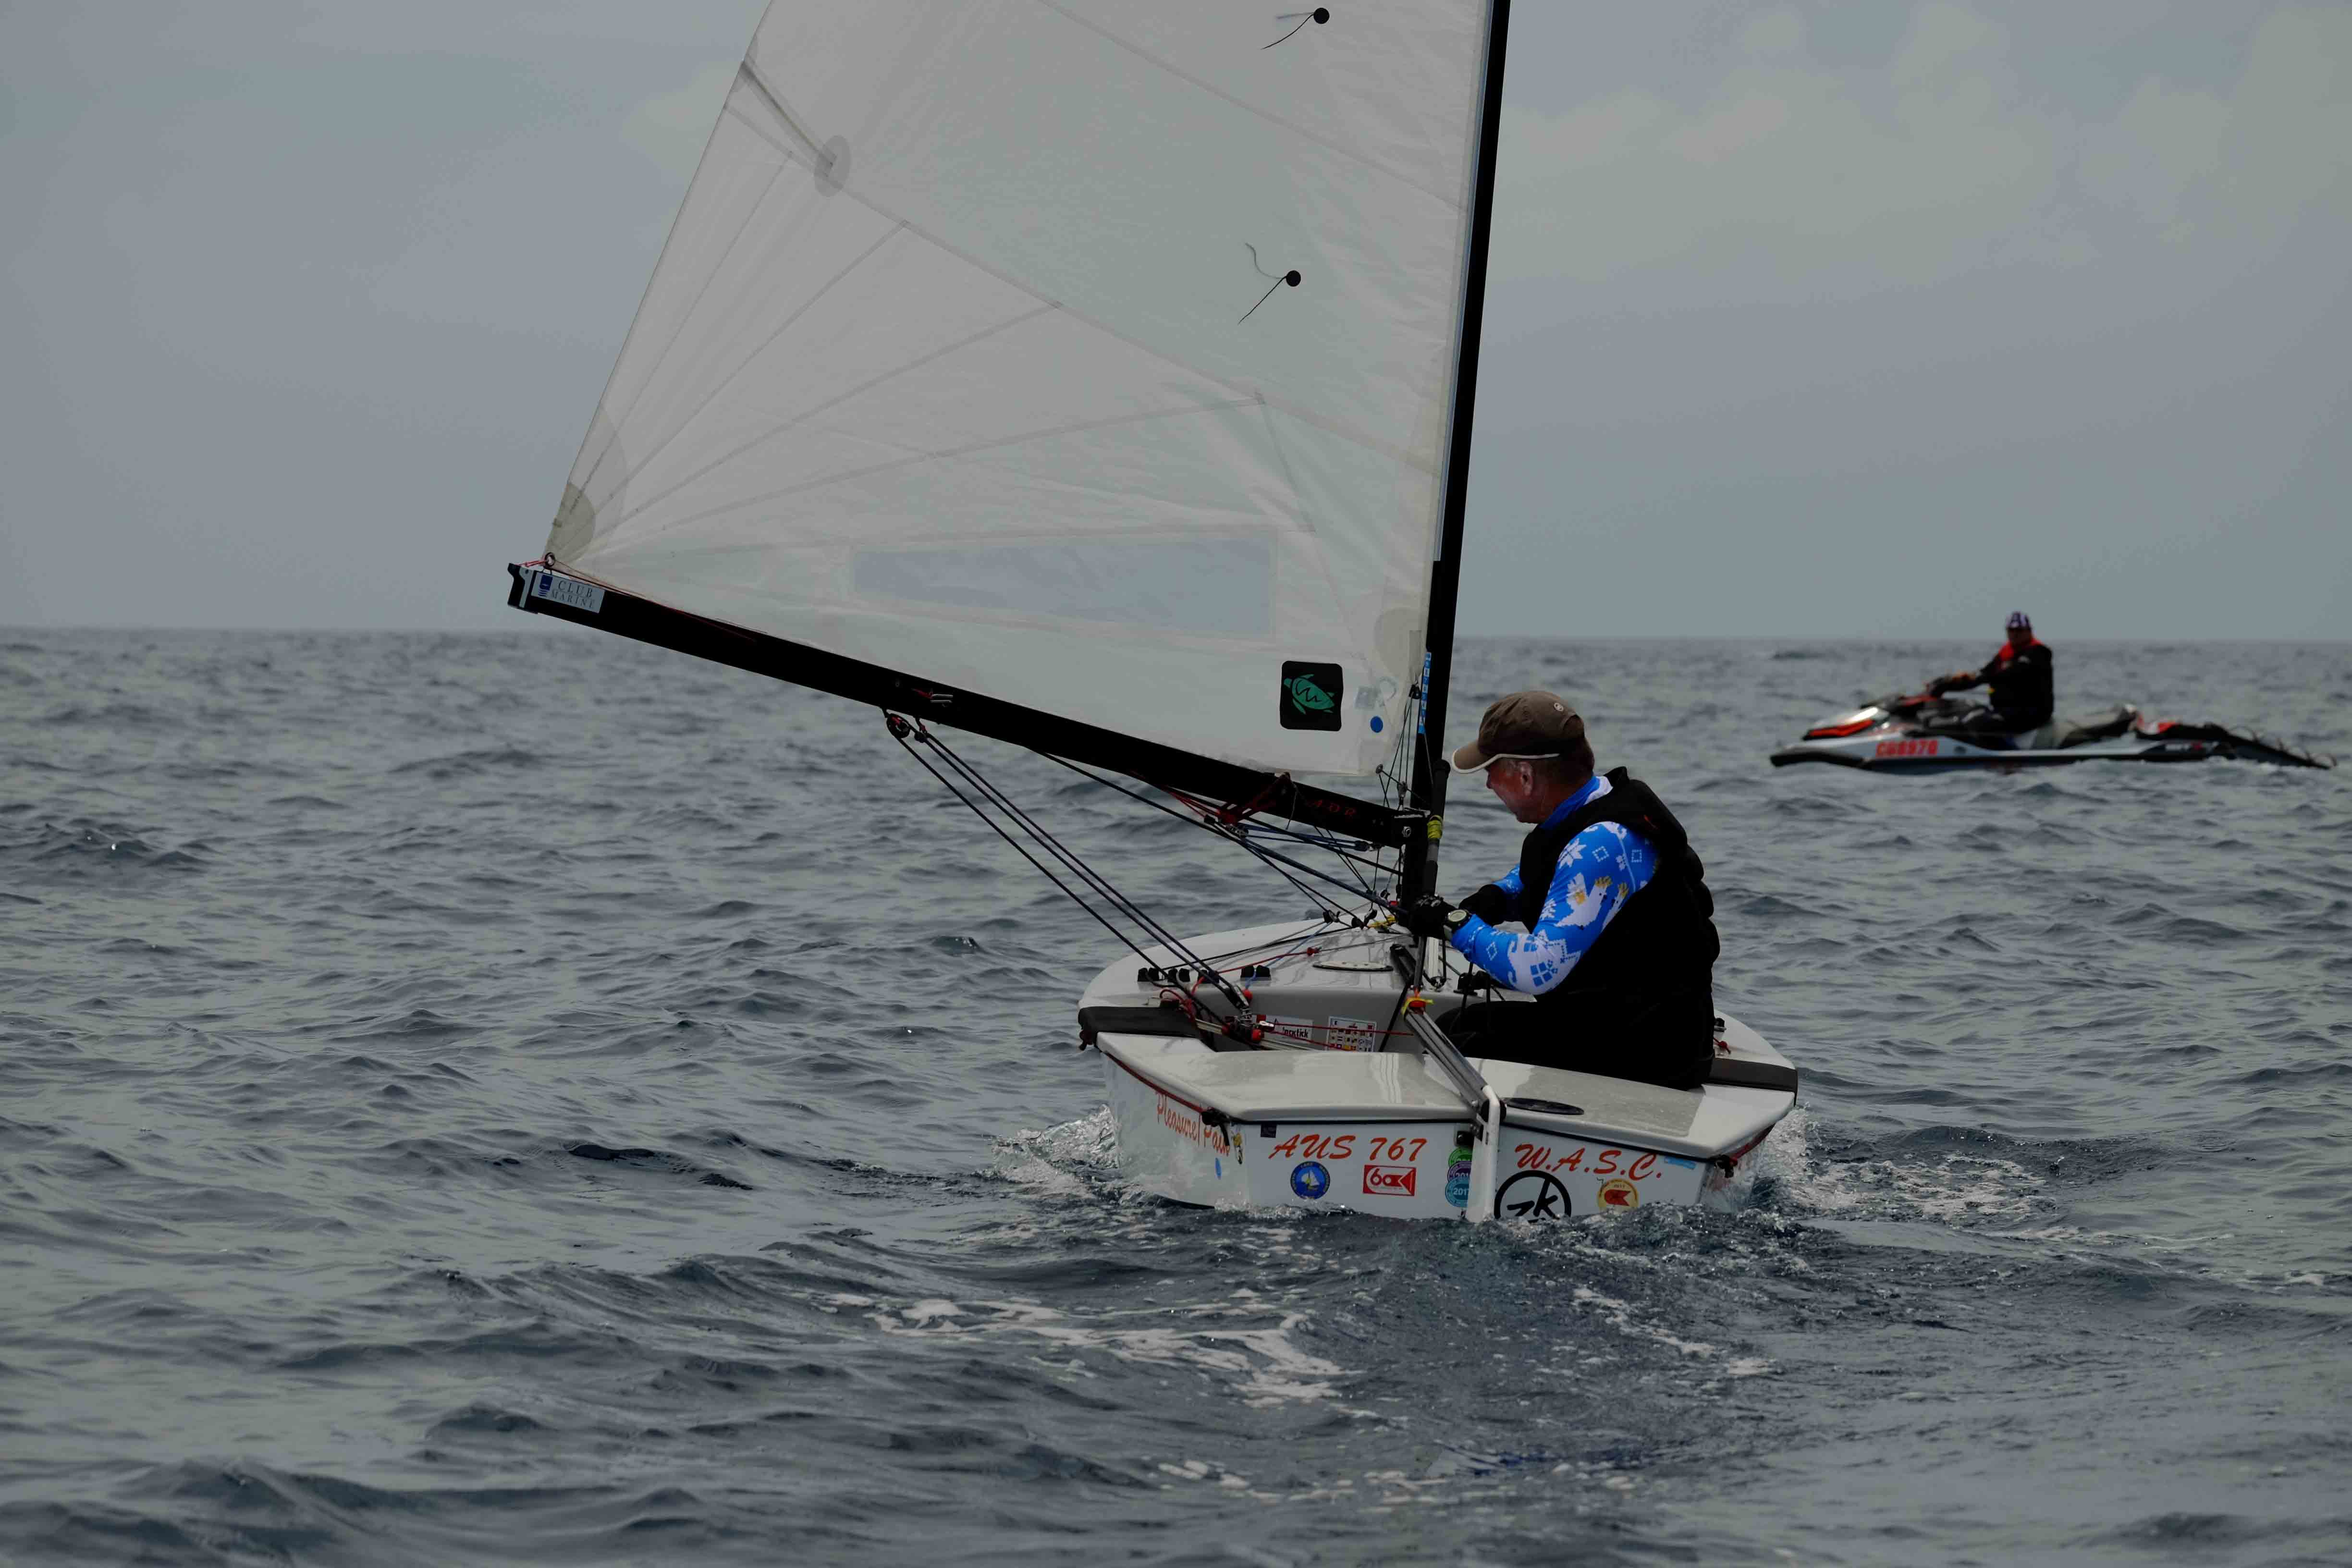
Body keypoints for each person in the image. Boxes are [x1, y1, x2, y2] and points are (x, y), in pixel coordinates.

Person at [1396, 691, 1719, 1090]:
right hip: (1620, 1017)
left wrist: (1455, 924)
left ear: (1526, 777)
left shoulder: (1603, 843)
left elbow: (1539, 969)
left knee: (1462, 1043)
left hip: (1653, 1051)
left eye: (1492, 773)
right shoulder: (1593, 804)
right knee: (1460, 1023)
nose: (1487, 785)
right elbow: (1543, 876)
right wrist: (1496, 898)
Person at [1929, 612, 2053, 739]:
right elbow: (1984, 674)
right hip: (2006, 712)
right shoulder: (2006, 654)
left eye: (2019, 630)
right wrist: (1948, 684)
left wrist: (1983, 677)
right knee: (1966, 709)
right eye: (2011, 630)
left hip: (2030, 715)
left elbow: (2013, 672)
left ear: (2029, 631)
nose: (2015, 634)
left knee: (1974, 722)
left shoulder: (2039, 652)